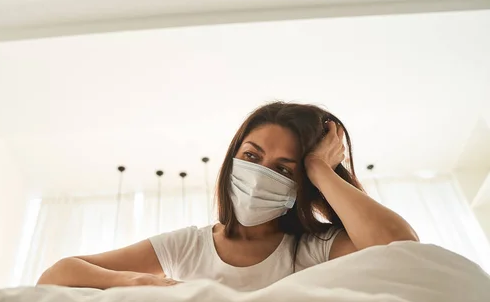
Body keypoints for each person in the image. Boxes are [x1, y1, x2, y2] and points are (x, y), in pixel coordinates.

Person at [38, 102, 418, 291]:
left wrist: (319, 168)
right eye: (251, 157)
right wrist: (139, 284)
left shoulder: (312, 247)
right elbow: (57, 274)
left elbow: (401, 250)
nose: (259, 176)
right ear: (232, 159)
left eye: (284, 169)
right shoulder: (187, 246)